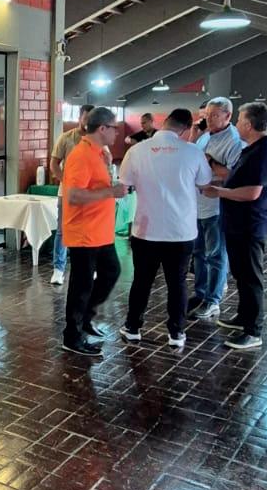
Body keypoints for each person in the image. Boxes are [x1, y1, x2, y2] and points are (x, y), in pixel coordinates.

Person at [119, 108, 213, 350]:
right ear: (186, 128)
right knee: (177, 283)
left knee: (142, 280)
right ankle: (176, 332)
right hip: (181, 230)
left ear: (165, 122)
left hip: (146, 229)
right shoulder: (193, 152)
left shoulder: (137, 150)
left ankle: (132, 327)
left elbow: (124, 184)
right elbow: (204, 183)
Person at [204, 101, 267, 351]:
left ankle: (253, 331)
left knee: (251, 278)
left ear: (248, 124)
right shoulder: (251, 149)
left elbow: (252, 192)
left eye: (238, 119)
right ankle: (243, 317)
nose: (236, 124)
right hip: (238, 224)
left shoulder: (263, 152)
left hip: (250, 225)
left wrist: (220, 192)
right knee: (241, 274)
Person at [61, 107, 126, 356]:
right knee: (82, 285)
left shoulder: (99, 153)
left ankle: (85, 317)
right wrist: (111, 192)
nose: (117, 133)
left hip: (100, 232)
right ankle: (72, 336)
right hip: (84, 232)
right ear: (102, 128)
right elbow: (74, 196)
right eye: (114, 128)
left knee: (111, 271)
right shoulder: (81, 155)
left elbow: (95, 186)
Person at [188, 96, 243, 321]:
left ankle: (213, 300)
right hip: (198, 205)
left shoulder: (234, 141)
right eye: (206, 116)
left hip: (216, 207)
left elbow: (233, 176)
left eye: (214, 115)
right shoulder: (204, 137)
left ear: (228, 116)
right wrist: (194, 137)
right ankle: (200, 293)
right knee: (198, 253)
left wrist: (210, 163)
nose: (208, 119)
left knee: (215, 254)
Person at [49, 104, 94, 286]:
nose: (89, 122)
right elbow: (54, 164)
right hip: (67, 192)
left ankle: (88, 267)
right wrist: (65, 181)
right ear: (79, 117)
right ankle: (58, 269)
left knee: (88, 230)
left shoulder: (97, 139)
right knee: (63, 230)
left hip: (90, 194)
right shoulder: (66, 138)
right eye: (86, 118)